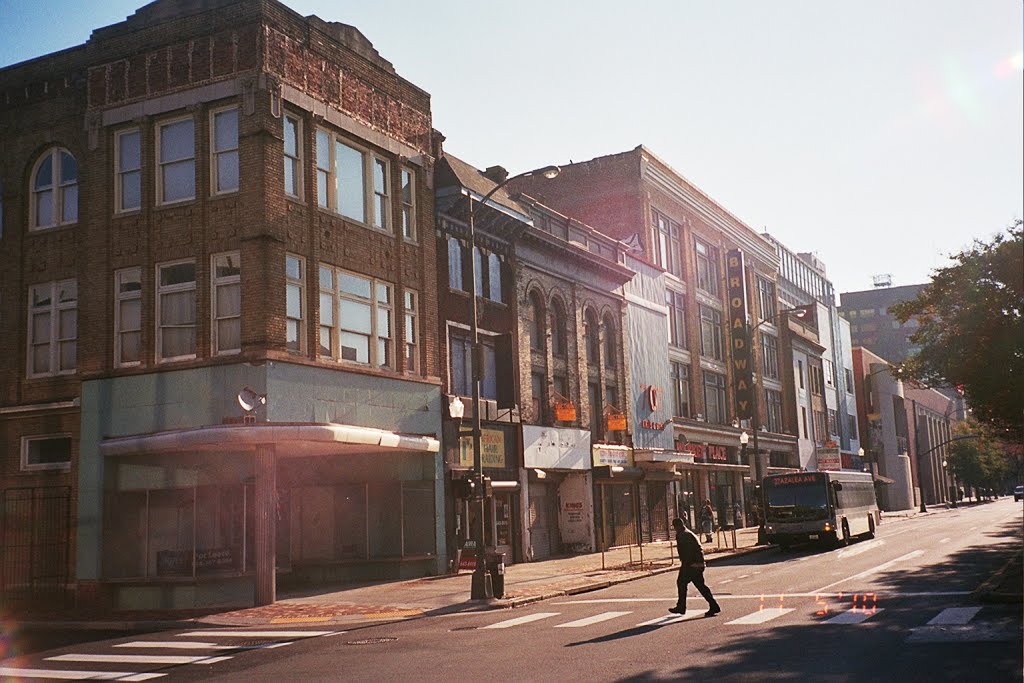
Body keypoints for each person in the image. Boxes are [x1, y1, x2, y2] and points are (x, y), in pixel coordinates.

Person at [670, 517, 721, 617]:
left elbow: (686, 552)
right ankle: (713, 605)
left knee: (682, 582)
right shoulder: (687, 533)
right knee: (700, 586)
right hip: (697, 563)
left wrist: (687, 564)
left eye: (675, 527)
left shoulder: (683, 535)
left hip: (691, 564)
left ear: (677, 526)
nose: (675, 529)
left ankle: (681, 606)